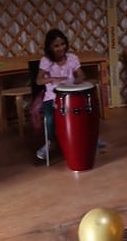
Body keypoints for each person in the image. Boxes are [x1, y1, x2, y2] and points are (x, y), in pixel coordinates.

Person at [35, 29, 85, 160]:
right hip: (52, 97)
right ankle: (50, 143)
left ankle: (87, 140)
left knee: (82, 112)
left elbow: (81, 75)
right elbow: (38, 80)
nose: (60, 48)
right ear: (50, 48)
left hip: (70, 95)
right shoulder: (46, 60)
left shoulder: (72, 58)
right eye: (56, 46)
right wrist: (51, 79)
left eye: (62, 44)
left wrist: (77, 80)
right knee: (50, 117)